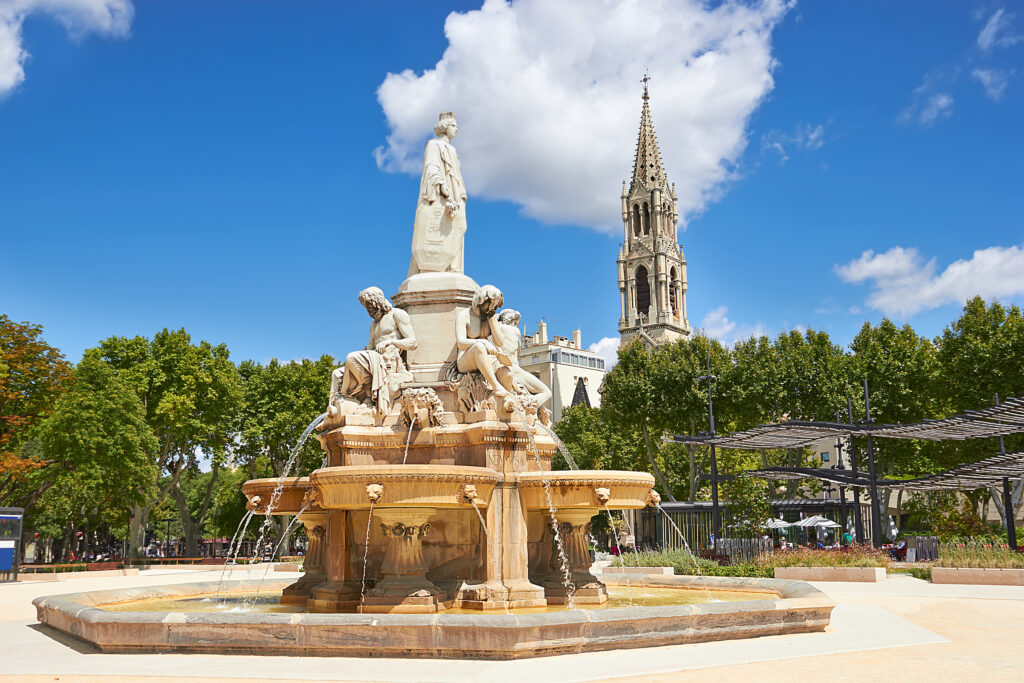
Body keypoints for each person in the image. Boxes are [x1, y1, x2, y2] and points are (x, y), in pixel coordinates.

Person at [328, 287, 417, 417]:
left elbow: (413, 342)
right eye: (366, 306)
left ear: (378, 301)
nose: (368, 309)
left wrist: (391, 342)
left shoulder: (397, 314)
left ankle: (369, 398)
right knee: (337, 373)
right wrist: (364, 352)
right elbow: (370, 350)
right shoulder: (373, 325)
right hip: (375, 358)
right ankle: (337, 407)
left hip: (388, 360)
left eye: (370, 304)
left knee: (351, 357)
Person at [409, 111, 468, 275]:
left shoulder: (453, 151)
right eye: (454, 126)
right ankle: (436, 267)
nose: (456, 130)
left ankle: (453, 267)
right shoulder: (434, 145)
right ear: (446, 127)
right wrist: (442, 185)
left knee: (460, 226)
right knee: (437, 229)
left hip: (456, 197)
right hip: (441, 195)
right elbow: (431, 167)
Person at [455, 285, 516, 400]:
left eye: (495, 306)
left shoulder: (489, 317)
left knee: (507, 374)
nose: (492, 308)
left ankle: (501, 404)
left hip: (487, 359)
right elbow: (460, 343)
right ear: (481, 299)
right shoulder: (464, 316)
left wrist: (492, 320)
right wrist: (482, 341)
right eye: (490, 304)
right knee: (479, 346)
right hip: (465, 360)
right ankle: (496, 386)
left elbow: (500, 342)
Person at [494, 308, 552, 407]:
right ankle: (529, 405)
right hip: (516, 371)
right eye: (516, 323)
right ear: (513, 321)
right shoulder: (515, 331)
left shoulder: (495, 328)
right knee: (547, 392)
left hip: (497, 370)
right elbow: (518, 353)